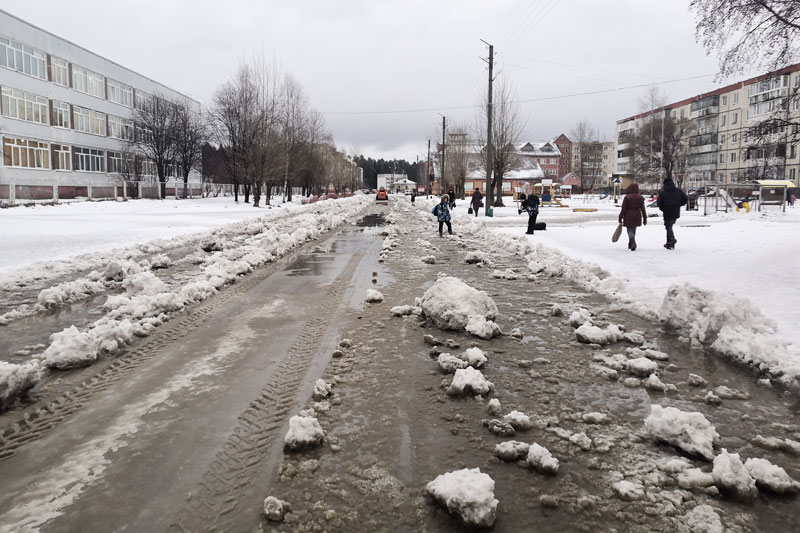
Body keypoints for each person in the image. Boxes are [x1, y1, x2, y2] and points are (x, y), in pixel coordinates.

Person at [656, 177, 688, 250]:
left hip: (667, 210)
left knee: (668, 225)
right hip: (676, 211)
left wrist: (663, 209)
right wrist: (679, 204)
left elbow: (659, 203)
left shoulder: (662, 192)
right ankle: (669, 242)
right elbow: (685, 199)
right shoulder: (678, 191)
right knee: (669, 225)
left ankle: (672, 239)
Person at [618, 183, 647, 251]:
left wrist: (620, 217)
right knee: (634, 229)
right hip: (637, 214)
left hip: (629, 214)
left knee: (629, 230)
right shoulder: (640, 197)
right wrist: (645, 218)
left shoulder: (627, 197)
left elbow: (624, 208)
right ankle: (631, 243)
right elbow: (643, 209)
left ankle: (632, 241)